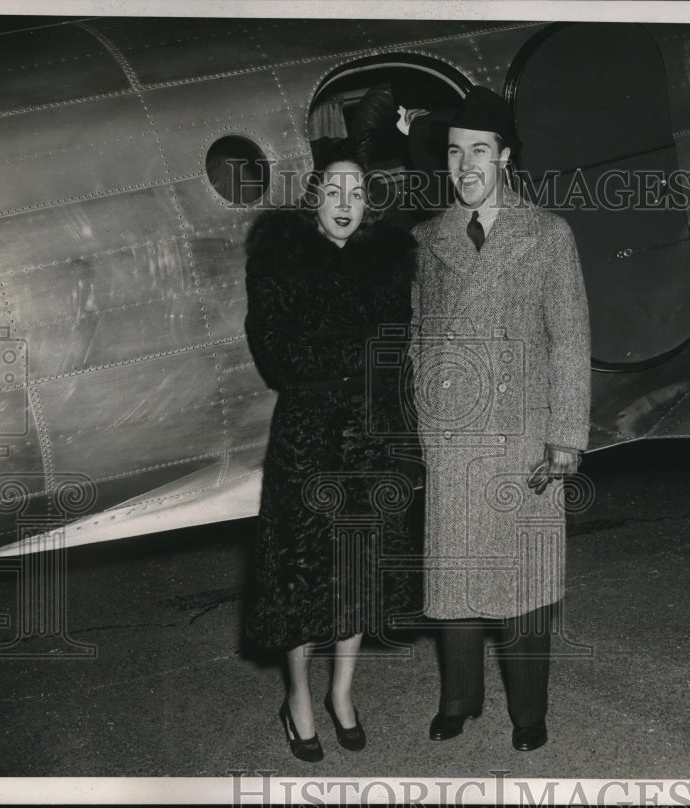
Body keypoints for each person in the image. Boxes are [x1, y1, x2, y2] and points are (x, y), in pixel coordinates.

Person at [409, 86, 591, 753]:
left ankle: (528, 714)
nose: (466, 165)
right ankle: (458, 701)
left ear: (504, 156)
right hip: (455, 440)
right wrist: (427, 425)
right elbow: (419, 339)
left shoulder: (547, 234)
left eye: (479, 151)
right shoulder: (429, 240)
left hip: (523, 440)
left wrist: (567, 439)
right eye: (456, 152)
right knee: (455, 581)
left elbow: (570, 339)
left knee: (524, 585)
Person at [243, 138, 417, 762]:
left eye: (357, 191)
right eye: (334, 190)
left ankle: (342, 693)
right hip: (309, 438)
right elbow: (274, 351)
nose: (345, 203)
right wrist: (348, 360)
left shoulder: (390, 264)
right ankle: (296, 702)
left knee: (355, 572)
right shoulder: (281, 261)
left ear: (370, 203)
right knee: (299, 574)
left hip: (370, 436)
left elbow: (396, 352)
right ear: (315, 197)